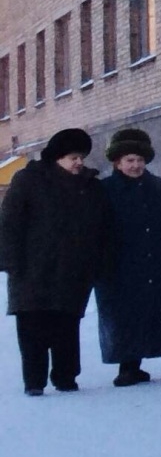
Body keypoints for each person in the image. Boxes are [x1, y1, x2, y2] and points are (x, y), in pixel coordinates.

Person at [0, 128, 113, 395]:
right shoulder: (28, 180)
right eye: (73, 157)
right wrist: (11, 262)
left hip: (73, 270)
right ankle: (34, 382)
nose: (79, 162)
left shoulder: (90, 186)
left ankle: (66, 377)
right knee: (32, 328)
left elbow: (103, 227)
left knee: (66, 325)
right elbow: (9, 224)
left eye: (82, 157)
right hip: (31, 270)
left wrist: (97, 262)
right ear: (57, 157)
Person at [95, 128, 161, 387]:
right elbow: (89, 227)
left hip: (154, 263)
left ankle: (135, 364)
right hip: (116, 266)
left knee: (149, 312)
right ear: (117, 162)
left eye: (139, 160)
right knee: (122, 314)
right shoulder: (103, 191)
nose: (136, 165)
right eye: (129, 160)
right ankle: (126, 365)